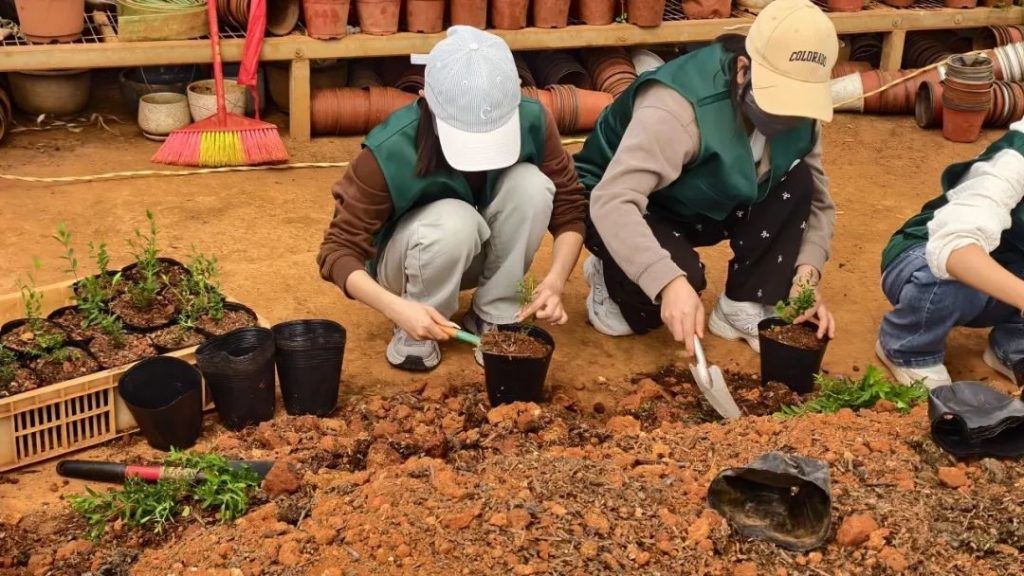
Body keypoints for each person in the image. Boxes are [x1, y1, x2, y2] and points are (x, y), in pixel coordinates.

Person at [573, 0, 838, 355]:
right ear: (743, 70)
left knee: (798, 179)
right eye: (780, 99)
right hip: (621, 202)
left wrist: (806, 275)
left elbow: (817, 200)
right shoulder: (676, 105)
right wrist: (668, 281)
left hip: (702, 198)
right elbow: (612, 199)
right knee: (657, 300)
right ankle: (610, 273)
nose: (791, 116)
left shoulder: (805, 115)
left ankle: (741, 304)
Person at [317, 26, 587, 372]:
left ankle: (495, 312)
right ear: (425, 98)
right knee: (454, 219)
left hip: (475, 251)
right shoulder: (389, 149)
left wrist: (556, 280)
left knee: (531, 185)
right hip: (408, 263)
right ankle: (419, 320)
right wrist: (396, 309)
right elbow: (337, 252)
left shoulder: (533, 119)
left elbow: (569, 207)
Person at [877, 119, 1024, 389]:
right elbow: (954, 247)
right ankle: (909, 347)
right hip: (926, 258)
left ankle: (1015, 345)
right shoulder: (1012, 162)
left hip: (1006, 275)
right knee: (946, 274)